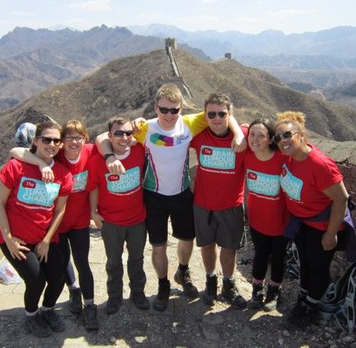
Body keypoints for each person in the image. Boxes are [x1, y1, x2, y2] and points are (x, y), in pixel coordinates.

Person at [97, 83, 246, 312]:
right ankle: (163, 285)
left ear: (181, 109)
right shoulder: (144, 128)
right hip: (153, 195)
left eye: (174, 110)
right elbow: (102, 137)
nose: (169, 115)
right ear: (155, 108)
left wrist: (236, 133)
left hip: (182, 194)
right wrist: (108, 157)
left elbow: (226, 115)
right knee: (159, 247)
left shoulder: (190, 123)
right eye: (164, 109)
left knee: (187, 240)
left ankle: (183, 272)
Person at [10, 120, 99, 330]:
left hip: (79, 221)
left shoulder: (90, 152)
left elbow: (105, 141)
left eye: (78, 137)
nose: (73, 142)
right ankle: (73, 290)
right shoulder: (56, 155)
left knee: (82, 262)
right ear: (62, 142)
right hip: (56, 225)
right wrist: (41, 164)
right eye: (68, 138)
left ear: (85, 139)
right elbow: (16, 151)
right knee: (62, 262)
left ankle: (90, 305)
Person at [274, 111, 354, 326]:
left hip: (321, 225)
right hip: (302, 222)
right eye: (278, 137)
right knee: (306, 263)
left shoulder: (319, 164)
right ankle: (304, 297)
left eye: (287, 135)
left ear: (301, 135)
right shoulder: (289, 157)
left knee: (318, 266)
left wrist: (331, 233)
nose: (282, 141)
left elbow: (341, 198)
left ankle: (310, 307)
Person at [0, 121, 73, 338]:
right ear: (36, 141)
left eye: (56, 140)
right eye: (46, 139)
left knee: (57, 279)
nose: (52, 144)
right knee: (36, 280)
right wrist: (8, 239)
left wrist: (46, 240)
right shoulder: (15, 167)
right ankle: (31, 315)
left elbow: (59, 211)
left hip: (44, 238)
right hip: (15, 239)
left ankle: (47, 310)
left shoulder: (63, 174)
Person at [190, 93, 248, 309]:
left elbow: (270, 141)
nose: (216, 118)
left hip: (231, 204)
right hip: (203, 203)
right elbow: (167, 134)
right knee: (206, 245)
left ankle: (228, 283)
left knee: (229, 247)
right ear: (204, 116)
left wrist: (239, 133)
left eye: (222, 114)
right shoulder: (198, 135)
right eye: (211, 114)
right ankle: (210, 279)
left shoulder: (244, 137)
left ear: (229, 114)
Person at [88, 117, 149, 315]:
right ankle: (114, 297)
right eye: (118, 133)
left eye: (128, 133)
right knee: (113, 261)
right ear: (109, 136)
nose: (124, 138)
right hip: (111, 221)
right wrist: (93, 212)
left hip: (137, 219)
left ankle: (137, 292)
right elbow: (94, 187)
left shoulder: (140, 150)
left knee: (137, 259)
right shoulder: (99, 160)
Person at [244, 118, 289, 311]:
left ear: (271, 139)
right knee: (260, 254)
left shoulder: (283, 160)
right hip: (257, 219)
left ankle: (274, 291)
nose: (255, 139)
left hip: (280, 221)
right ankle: (257, 289)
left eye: (261, 135)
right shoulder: (247, 157)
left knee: (278, 256)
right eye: (252, 134)